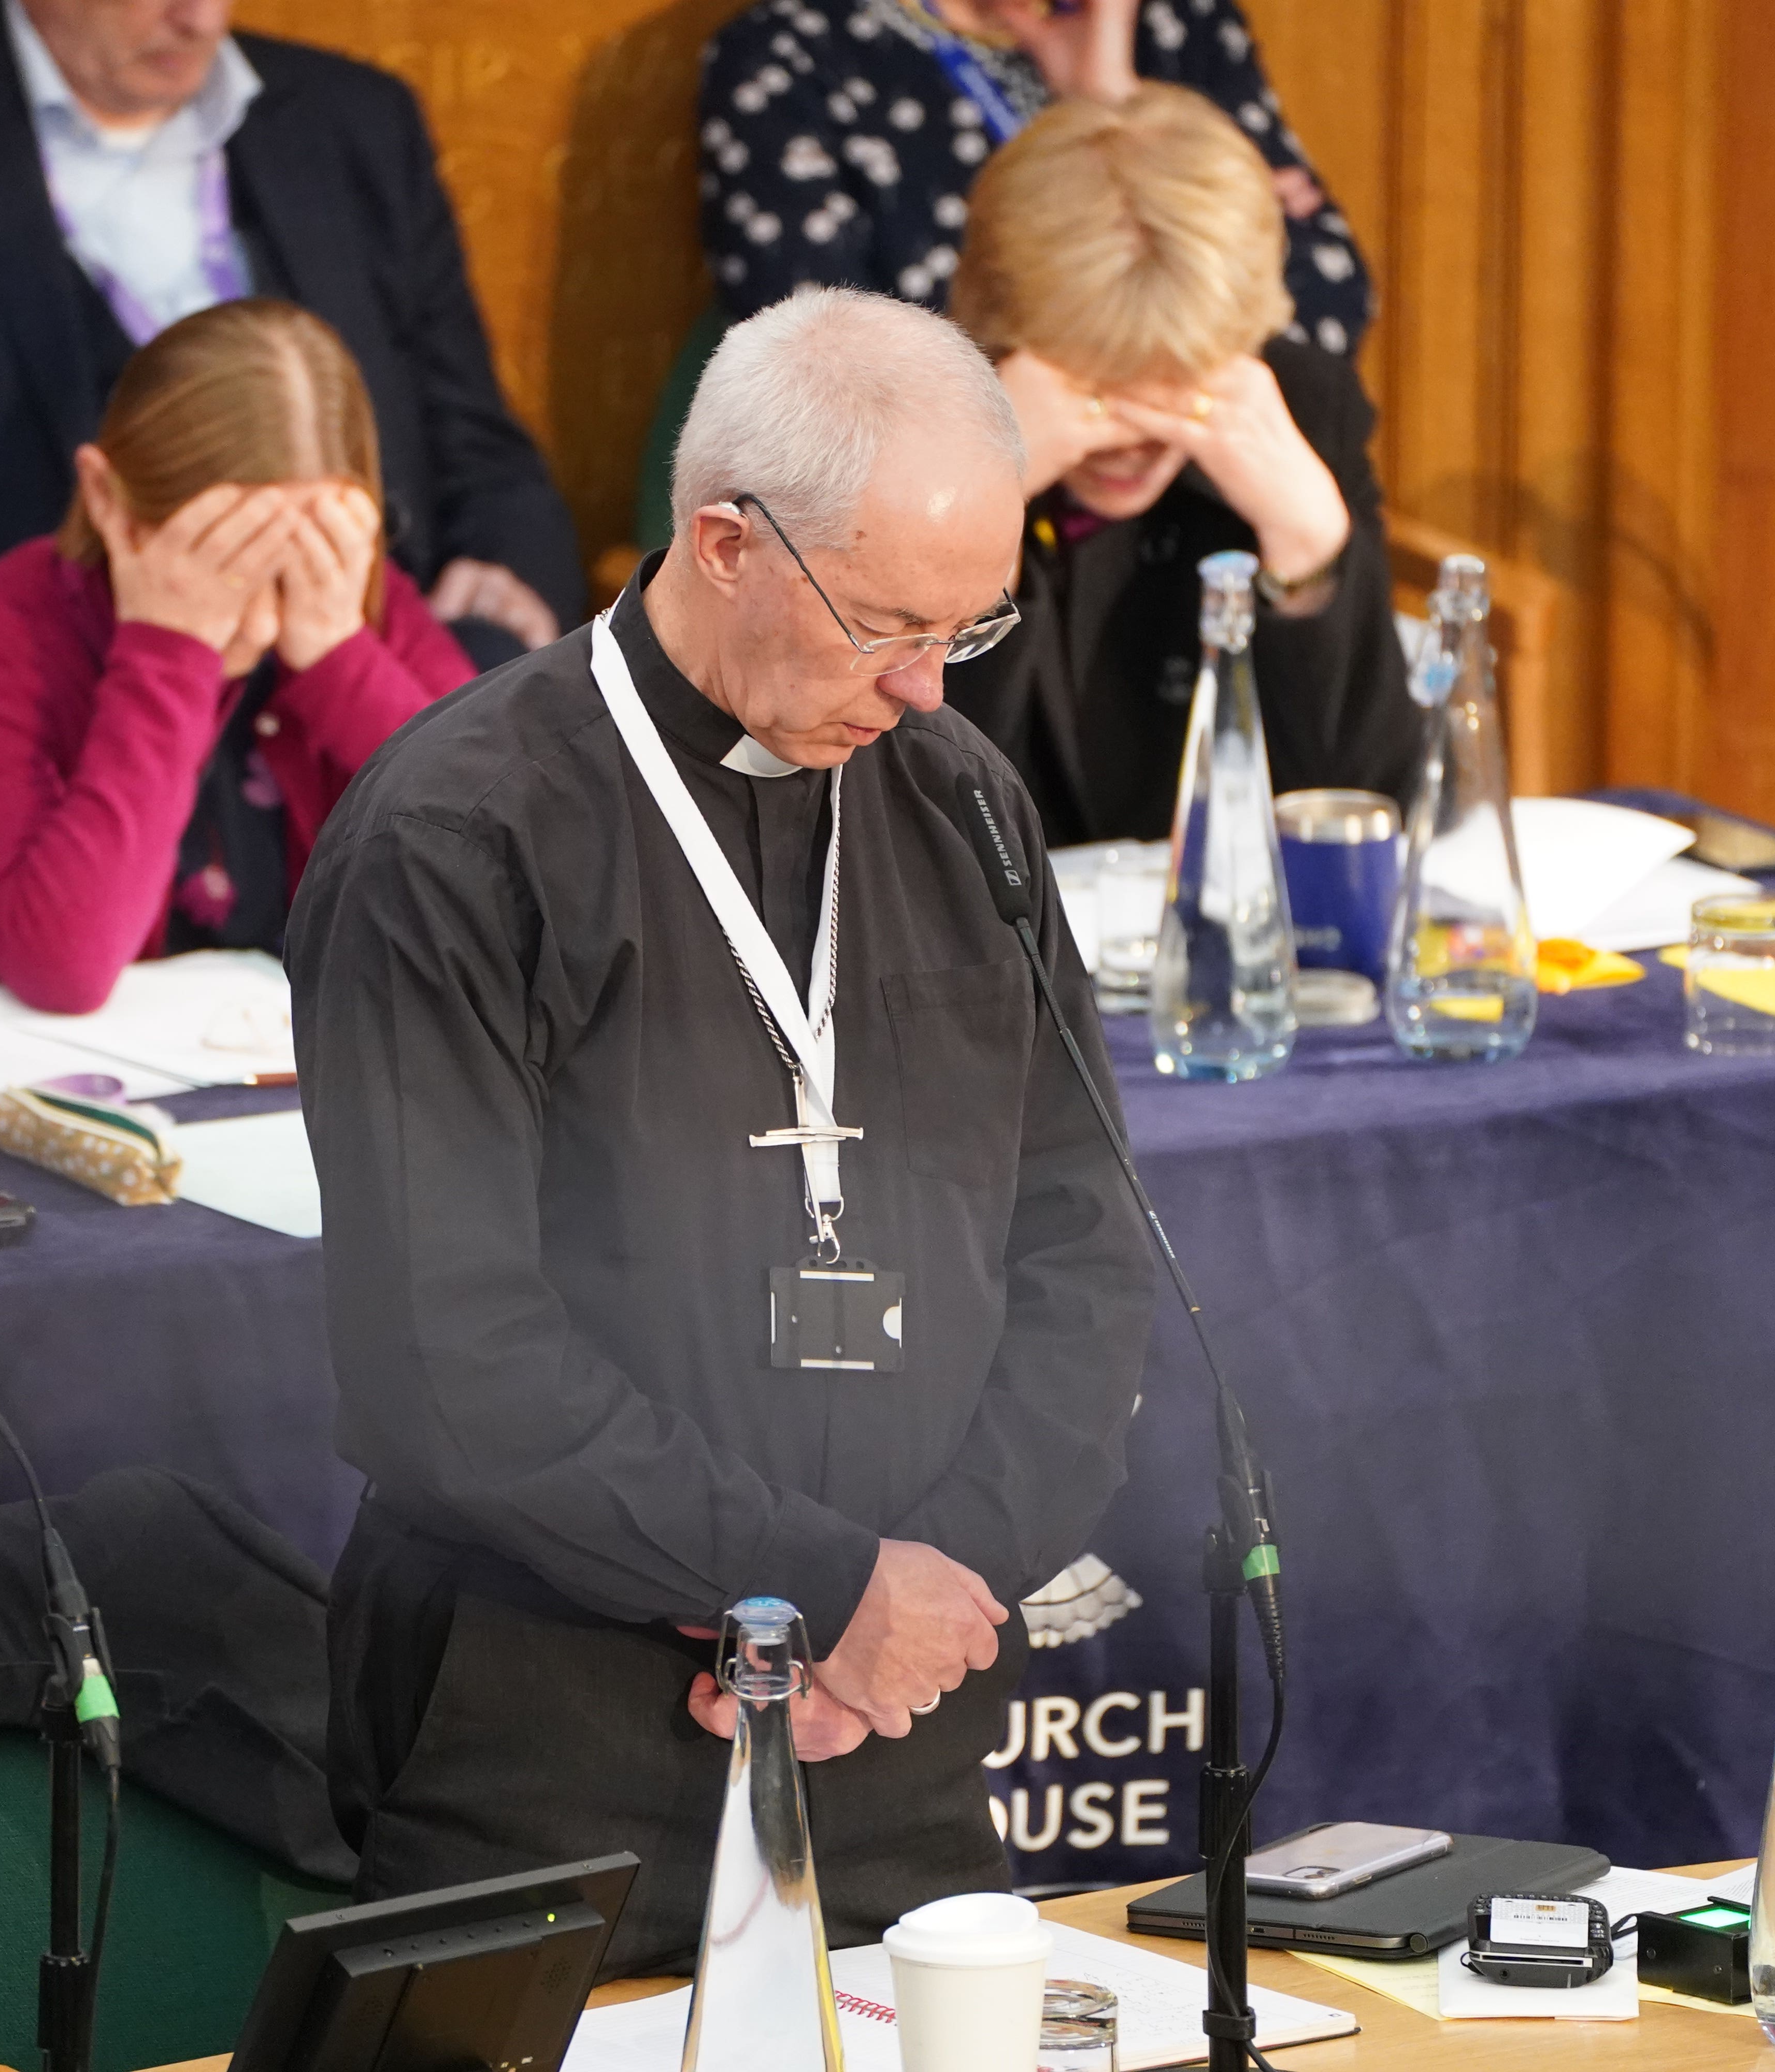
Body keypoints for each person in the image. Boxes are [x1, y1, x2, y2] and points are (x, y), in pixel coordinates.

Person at [290, 287, 1153, 1971]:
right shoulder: (457, 841)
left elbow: (1084, 1243)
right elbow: (445, 1363)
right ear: (727, 544)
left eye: (966, 634)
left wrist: (926, 1592)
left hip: (898, 1727)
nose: (922, 692)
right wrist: (811, 1582)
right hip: (542, 1734)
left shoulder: (962, 802)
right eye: (890, 626)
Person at [0, 0, 581, 684]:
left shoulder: (355, 123)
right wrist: (24, 687)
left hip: (376, 704)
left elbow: (485, 454)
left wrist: (506, 588)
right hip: (63, 738)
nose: (198, 16)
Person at [0, 298, 471, 1010]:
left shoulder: (359, 604)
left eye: (307, 552)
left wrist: (343, 661)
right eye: (227, 554)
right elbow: (63, 966)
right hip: (7, 1088)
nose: (269, 607)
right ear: (106, 499)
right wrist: (170, 655)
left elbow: (515, 877)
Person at [943, 85, 1416, 845]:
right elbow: (904, 819)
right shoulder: (909, 427)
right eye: (1096, 381)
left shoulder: (1298, 407)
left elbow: (1370, 808)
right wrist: (970, 499)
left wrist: (1309, 548)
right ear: (1004, 332)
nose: (1131, 438)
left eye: (1175, 378)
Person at [699, 0, 1371, 356]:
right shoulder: (789, 57)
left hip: (1196, 498)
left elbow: (1326, 305)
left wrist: (1115, 108)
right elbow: (831, 373)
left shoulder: (1172, 20)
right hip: (944, 519)